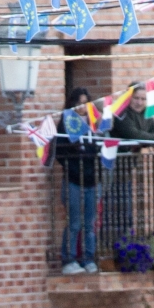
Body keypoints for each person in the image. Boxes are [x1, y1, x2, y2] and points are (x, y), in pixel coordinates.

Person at [56, 87, 99, 276]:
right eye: (79, 103)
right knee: (74, 222)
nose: (83, 107)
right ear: (73, 104)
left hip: (92, 179)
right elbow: (60, 151)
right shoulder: (65, 123)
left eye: (86, 102)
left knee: (89, 223)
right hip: (73, 179)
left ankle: (88, 258)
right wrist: (73, 163)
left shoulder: (94, 123)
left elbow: (97, 149)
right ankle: (69, 258)